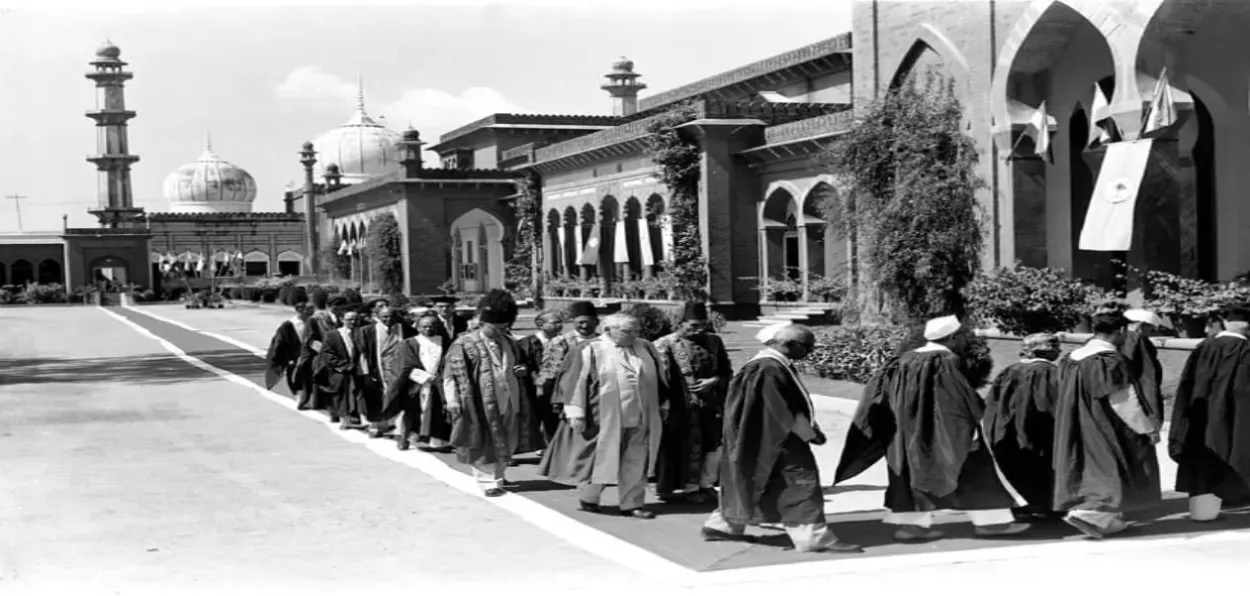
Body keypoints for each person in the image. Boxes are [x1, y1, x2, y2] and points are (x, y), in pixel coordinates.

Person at [834, 315, 1028, 542]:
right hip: (940, 432)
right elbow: (956, 400)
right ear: (952, 337)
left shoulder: (902, 360)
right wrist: (971, 427)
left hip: (904, 433)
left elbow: (879, 394)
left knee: (910, 476)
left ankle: (912, 527)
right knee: (975, 470)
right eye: (962, 337)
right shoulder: (948, 361)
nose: (964, 341)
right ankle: (992, 524)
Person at [702, 323, 861, 552]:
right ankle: (812, 538)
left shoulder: (768, 364)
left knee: (751, 479)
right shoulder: (769, 369)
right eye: (807, 345)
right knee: (801, 483)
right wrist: (810, 434)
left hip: (756, 438)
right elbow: (782, 411)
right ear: (788, 344)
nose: (810, 351)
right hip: (777, 439)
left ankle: (723, 525)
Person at [539, 312, 682, 519]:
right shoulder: (589, 349)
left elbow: (660, 379)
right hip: (603, 417)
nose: (633, 335)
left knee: (636, 461)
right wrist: (576, 413)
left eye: (636, 330)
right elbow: (574, 382)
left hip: (642, 415)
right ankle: (589, 497)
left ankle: (631, 504)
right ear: (608, 330)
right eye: (627, 331)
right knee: (598, 460)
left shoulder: (646, 347)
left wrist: (663, 405)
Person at [1053, 311, 1162, 539]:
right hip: (1104, 425)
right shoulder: (1109, 361)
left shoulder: (1070, 358)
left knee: (1088, 467)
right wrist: (1146, 427)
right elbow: (1123, 401)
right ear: (1121, 331)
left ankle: (1109, 521)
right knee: (1112, 467)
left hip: (1075, 424)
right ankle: (1091, 514)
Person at [441, 290, 543, 497]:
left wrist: (522, 371)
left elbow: (521, 365)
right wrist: (452, 401)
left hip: (510, 400)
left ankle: (499, 474)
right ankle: (488, 481)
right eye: (496, 328)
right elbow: (450, 375)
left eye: (505, 327)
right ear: (483, 323)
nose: (501, 331)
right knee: (484, 440)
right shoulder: (464, 345)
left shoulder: (511, 343)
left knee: (506, 439)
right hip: (479, 402)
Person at [1169, 304, 1250, 521]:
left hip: (1201, 417)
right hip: (1236, 418)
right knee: (1235, 447)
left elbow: (1186, 385)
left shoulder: (1203, 347)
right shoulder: (1246, 350)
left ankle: (1204, 497)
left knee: (1202, 451)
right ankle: (1235, 494)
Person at [654, 301, 733, 503]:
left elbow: (726, 371)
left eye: (701, 326)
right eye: (692, 326)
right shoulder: (665, 344)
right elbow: (660, 379)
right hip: (679, 406)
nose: (697, 331)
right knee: (686, 446)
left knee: (714, 445)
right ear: (680, 323)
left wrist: (714, 381)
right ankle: (688, 488)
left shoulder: (714, 341)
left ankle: (706, 484)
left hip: (711, 403)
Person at [983, 332, 1061, 521]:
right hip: (1041, 431)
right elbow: (1055, 406)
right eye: (1056, 348)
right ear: (1047, 350)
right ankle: (1043, 506)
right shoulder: (1051, 372)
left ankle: (1020, 506)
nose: (1059, 351)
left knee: (1016, 466)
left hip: (1008, 432)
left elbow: (992, 404)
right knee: (1043, 466)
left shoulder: (1009, 371)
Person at [386, 311, 454, 451]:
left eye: (433, 325)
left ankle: (438, 442)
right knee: (411, 412)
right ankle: (404, 439)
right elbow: (404, 365)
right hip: (415, 384)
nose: (428, 329)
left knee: (438, 413)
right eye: (425, 326)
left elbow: (450, 362)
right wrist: (425, 377)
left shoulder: (447, 343)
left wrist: (440, 378)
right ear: (417, 327)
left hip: (439, 384)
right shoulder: (409, 344)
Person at [356, 305, 410, 438]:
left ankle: (398, 429)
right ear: (377, 317)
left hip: (399, 370)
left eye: (392, 316)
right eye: (385, 316)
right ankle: (377, 427)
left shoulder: (405, 330)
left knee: (399, 397)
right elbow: (361, 353)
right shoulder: (367, 331)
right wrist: (366, 373)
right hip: (377, 369)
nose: (389, 319)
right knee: (376, 398)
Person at [536, 301, 600, 413]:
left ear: (597, 322)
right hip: (567, 394)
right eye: (581, 322)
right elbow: (549, 373)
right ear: (573, 322)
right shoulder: (560, 342)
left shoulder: (605, 341)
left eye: (589, 322)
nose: (585, 326)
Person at [313, 308, 366, 431]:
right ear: (342, 320)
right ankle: (345, 419)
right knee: (343, 396)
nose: (353, 322)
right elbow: (327, 353)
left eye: (356, 319)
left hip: (361, 370)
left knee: (360, 394)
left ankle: (360, 418)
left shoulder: (364, 333)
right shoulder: (333, 335)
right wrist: (343, 366)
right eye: (349, 319)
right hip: (341, 370)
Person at [518, 311, 565, 444]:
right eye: (554, 322)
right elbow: (521, 364)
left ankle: (551, 448)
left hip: (556, 389)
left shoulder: (564, 342)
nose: (559, 325)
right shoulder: (526, 343)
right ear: (540, 325)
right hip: (533, 389)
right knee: (532, 419)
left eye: (560, 322)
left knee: (553, 421)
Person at [264, 302, 316, 410]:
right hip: (294, 357)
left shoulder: (313, 322)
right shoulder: (288, 325)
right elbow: (280, 342)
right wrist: (283, 357)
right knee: (295, 378)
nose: (310, 312)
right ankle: (299, 398)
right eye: (307, 310)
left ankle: (308, 399)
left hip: (311, 356)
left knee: (311, 378)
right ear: (299, 311)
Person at [1121, 308, 1165, 429]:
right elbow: (1148, 376)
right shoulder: (1136, 341)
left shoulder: (1128, 339)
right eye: (1150, 328)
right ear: (1141, 325)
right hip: (1138, 399)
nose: (1151, 333)